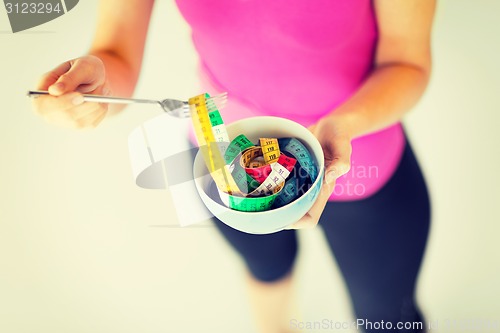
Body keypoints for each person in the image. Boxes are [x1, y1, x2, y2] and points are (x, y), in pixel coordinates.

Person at [32, 1, 435, 332]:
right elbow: (116, 52)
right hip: (221, 161)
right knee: (266, 269)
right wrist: (93, 89)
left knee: (389, 321)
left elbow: (408, 63)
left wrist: (341, 125)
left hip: (360, 156)